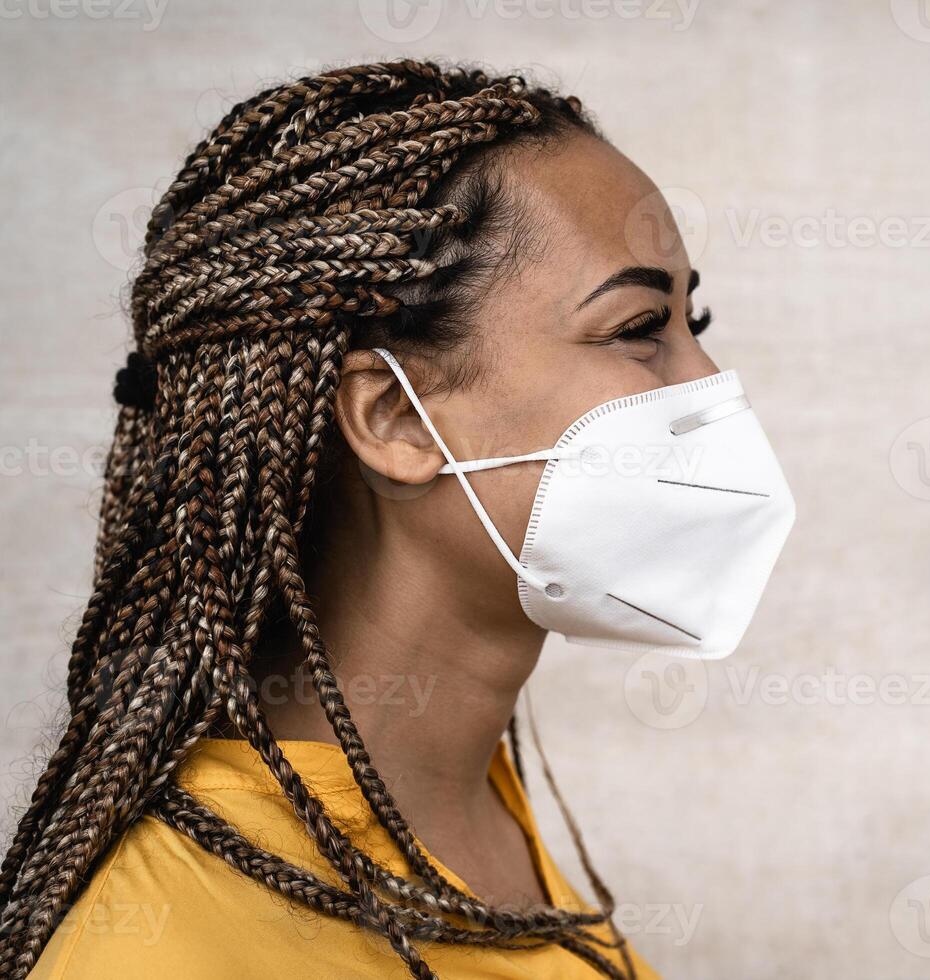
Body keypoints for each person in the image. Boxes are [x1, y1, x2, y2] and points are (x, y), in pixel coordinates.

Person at [3, 59, 794, 979]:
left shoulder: (457, 802)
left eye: (693, 319)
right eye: (638, 328)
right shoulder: (171, 950)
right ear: (396, 418)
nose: (709, 387)